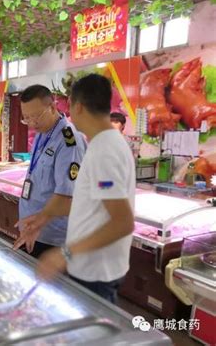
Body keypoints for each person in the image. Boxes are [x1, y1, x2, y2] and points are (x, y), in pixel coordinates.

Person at [37, 74, 135, 304]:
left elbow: (122, 222)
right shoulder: (102, 144)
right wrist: (44, 216)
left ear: (78, 106)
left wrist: (64, 253)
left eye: (69, 105)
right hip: (92, 268)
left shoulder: (105, 151)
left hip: (96, 274)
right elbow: (91, 203)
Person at [12, 85, 86, 258]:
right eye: (26, 118)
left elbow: (67, 196)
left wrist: (38, 222)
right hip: (34, 231)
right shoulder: (42, 133)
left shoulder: (69, 140)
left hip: (53, 239)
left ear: (53, 107)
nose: (32, 123)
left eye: (36, 116)